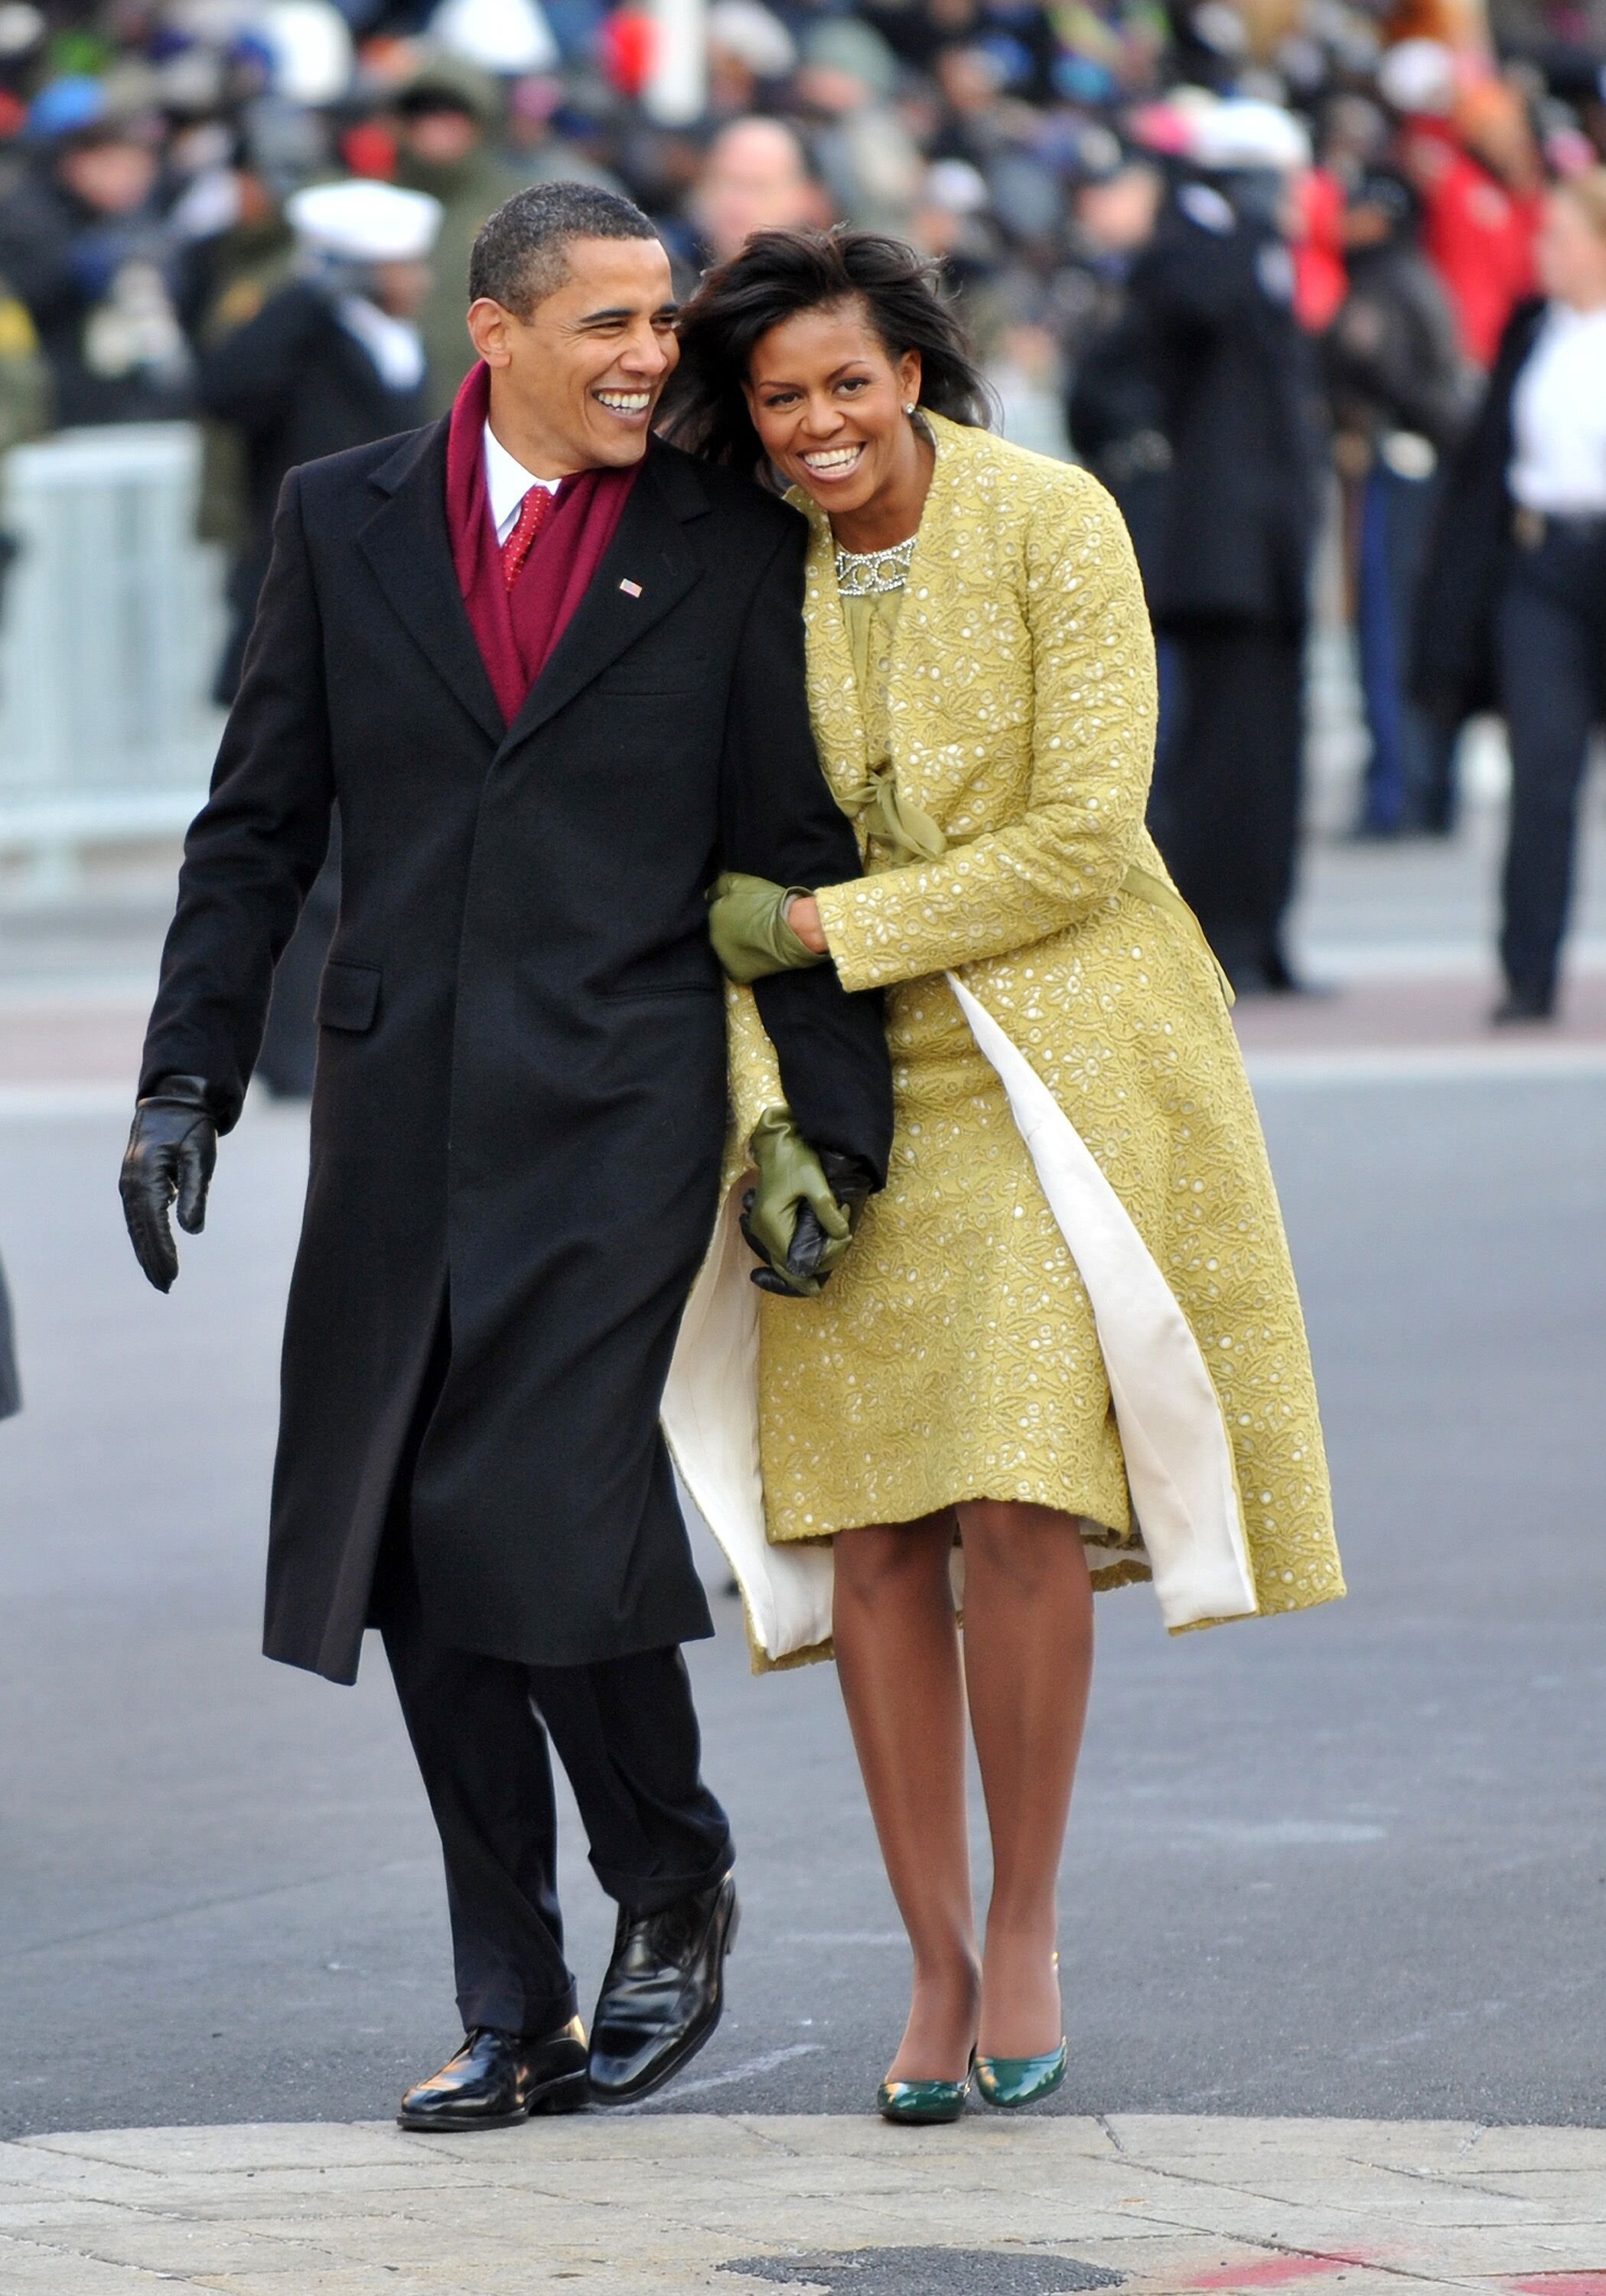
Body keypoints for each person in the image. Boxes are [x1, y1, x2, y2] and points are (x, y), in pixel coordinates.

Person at [119, 183, 892, 2127]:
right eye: (612, 323)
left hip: (620, 1097)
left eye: (663, 321)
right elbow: (256, 824)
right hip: (394, 1106)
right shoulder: (339, 513)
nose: (654, 354)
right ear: (495, 333)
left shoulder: (724, 542)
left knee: (537, 1505)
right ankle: (512, 1995)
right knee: (407, 1548)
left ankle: (669, 1868)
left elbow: (793, 844)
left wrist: (839, 1130)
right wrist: (184, 1081)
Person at [667, 227, 1342, 2124]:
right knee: (873, 1526)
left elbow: (1075, 836)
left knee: (1015, 1499)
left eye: (845, 383)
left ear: (915, 371)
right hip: (842, 1081)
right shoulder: (738, 569)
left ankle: (1027, 1917)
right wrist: (761, 1100)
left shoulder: (1052, 522)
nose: (815, 425)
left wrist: (816, 923)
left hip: (1058, 1056)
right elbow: (695, 880)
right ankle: (932, 1951)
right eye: (779, 396)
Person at [1128, 100, 1327, 995]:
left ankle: (1265, 926)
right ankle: (1214, 937)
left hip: (1270, 553)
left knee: (1274, 754)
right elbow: (1175, 318)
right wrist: (1228, 226)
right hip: (1216, 559)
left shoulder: (1261, 259)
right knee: (1216, 760)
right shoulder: (1186, 255)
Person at [1413, 170, 1606, 1023]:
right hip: (1541, 567)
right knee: (1541, 771)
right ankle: (1526, 971)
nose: (1541, 251)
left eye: (1557, 236)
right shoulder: (1533, 329)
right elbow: (1487, 460)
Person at [1324, 169, 1475, 835]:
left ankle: (1398, 793)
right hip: (1421, 473)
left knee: (1389, 637)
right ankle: (1421, 787)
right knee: (1407, 633)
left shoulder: (1386, 286)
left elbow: (1390, 376)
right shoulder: (1416, 278)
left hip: (1398, 470)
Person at [0, 90, 192, 429]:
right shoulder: (29, 214)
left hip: (126, 404)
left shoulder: (138, 219)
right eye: (120, 166)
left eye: (141, 168)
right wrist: (80, 267)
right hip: (48, 402)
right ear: (79, 164)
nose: (133, 180)